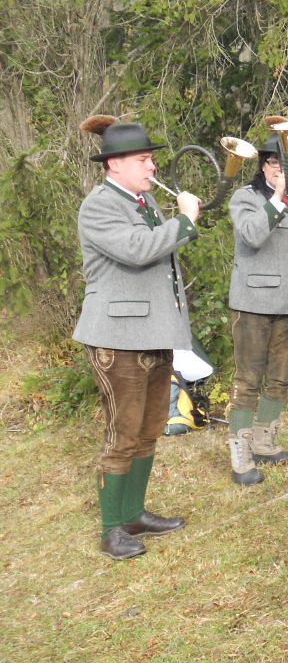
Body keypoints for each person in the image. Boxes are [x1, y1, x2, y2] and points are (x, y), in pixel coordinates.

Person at [74, 116, 201, 560]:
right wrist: (184, 221)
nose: (152, 167)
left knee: (148, 430)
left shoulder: (144, 202)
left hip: (153, 333)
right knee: (122, 434)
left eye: (151, 159)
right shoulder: (99, 205)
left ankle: (133, 515)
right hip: (117, 338)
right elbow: (137, 250)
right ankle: (111, 530)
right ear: (115, 164)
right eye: (143, 160)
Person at [225, 131, 288, 486]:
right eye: (277, 163)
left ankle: (265, 443)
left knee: (280, 377)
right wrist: (277, 198)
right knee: (248, 379)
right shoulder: (245, 197)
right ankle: (241, 456)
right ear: (264, 165)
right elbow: (251, 234)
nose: (283, 170)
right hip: (254, 302)